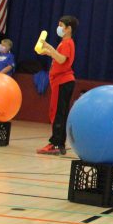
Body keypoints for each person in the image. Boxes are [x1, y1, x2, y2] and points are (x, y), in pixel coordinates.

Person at [37, 16, 78, 155]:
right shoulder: (65, 43)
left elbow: (61, 59)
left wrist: (50, 51)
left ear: (68, 28)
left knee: (58, 113)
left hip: (63, 81)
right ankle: (59, 143)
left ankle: (55, 143)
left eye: (61, 25)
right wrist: (48, 49)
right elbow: (59, 57)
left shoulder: (67, 43)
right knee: (61, 113)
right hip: (62, 82)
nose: (59, 28)